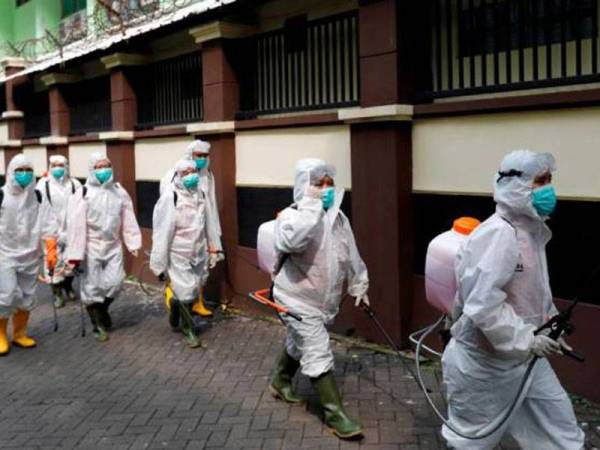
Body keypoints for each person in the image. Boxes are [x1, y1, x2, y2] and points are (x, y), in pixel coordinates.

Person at [442, 150, 585, 449]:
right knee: (471, 441)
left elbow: (533, 293)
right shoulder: (497, 234)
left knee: (562, 432)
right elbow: (483, 306)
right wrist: (527, 339)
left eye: (549, 180)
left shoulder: (532, 232)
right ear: (517, 186)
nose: (549, 189)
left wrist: (549, 325)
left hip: (525, 356)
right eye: (541, 181)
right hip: (484, 363)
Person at [270, 158, 369, 439]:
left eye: (329, 184)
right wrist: (312, 207)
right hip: (295, 298)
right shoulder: (291, 216)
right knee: (316, 350)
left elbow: (350, 252)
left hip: (321, 301)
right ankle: (335, 415)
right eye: (318, 184)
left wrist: (360, 282)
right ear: (304, 186)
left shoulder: (338, 217)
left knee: (297, 341)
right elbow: (292, 242)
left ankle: (280, 380)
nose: (325, 189)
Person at [66, 152, 142, 342]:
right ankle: (97, 323)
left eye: (106, 166)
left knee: (116, 282)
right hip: (92, 245)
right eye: (99, 167)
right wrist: (75, 254)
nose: (103, 170)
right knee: (93, 286)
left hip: (113, 245)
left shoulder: (118, 191)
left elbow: (128, 217)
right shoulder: (83, 194)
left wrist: (132, 241)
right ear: (92, 170)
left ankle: (102, 309)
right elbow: (76, 227)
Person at [150, 159, 221, 348]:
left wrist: (214, 249)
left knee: (195, 287)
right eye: (186, 172)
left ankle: (174, 305)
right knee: (187, 291)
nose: (191, 175)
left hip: (199, 251)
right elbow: (162, 233)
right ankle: (189, 329)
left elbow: (210, 225)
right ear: (178, 176)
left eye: (193, 171)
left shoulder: (201, 195)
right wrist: (159, 263)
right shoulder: (170, 198)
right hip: (178, 253)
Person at [159, 139, 223, 317]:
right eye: (198, 155)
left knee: (200, 271)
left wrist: (213, 235)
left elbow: (211, 204)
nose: (202, 159)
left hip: (201, 227)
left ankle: (197, 303)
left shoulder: (207, 175)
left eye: (205, 156)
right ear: (190, 155)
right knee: (180, 273)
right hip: (181, 232)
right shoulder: (174, 174)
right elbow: (166, 207)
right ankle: (173, 296)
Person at [0, 154, 53, 355]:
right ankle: (1, 335)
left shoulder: (37, 196)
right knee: (6, 296)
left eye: (28, 170)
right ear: (11, 172)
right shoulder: (2, 196)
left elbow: (48, 222)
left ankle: (20, 334)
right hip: (5, 255)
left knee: (27, 296)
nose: (24, 174)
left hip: (30, 255)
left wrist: (51, 247)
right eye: (19, 170)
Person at [36, 155, 82, 308]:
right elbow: (40, 209)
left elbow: (81, 206)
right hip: (51, 232)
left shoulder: (74, 184)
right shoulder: (43, 184)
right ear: (49, 166)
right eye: (54, 165)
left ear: (67, 166)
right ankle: (57, 293)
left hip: (71, 232)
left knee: (71, 263)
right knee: (53, 263)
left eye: (61, 165)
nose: (58, 168)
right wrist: (47, 232)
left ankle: (68, 286)